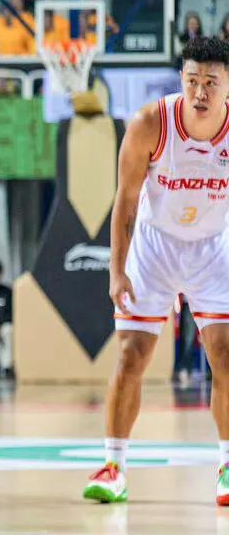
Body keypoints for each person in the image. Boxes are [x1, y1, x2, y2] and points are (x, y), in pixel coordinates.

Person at [84, 36, 229, 505]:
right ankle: (113, 467)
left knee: (225, 356)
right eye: (192, 81)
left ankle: (228, 466)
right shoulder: (150, 123)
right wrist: (116, 271)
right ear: (181, 80)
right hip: (154, 246)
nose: (200, 92)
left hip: (212, 249)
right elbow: (125, 202)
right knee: (132, 356)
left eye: (211, 82)